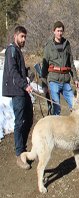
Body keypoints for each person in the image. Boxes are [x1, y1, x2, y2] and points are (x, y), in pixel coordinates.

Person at [2, 26, 33, 169]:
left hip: (22, 90)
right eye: (22, 36)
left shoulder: (18, 50)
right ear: (15, 36)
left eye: (25, 37)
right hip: (17, 91)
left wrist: (27, 73)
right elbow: (12, 71)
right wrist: (24, 85)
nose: (24, 39)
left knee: (29, 118)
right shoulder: (11, 50)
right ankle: (19, 154)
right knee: (19, 122)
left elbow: (19, 70)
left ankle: (23, 148)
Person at [42, 21, 79, 115]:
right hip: (54, 81)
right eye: (58, 31)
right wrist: (44, 84)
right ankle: (56, 129)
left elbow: (71, 63)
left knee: (75, 105)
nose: (60, 33)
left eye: (61, 31)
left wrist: (75, 79)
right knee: (57, 108)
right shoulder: (48, 46)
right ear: (54, 31)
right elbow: (44, 66)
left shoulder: (67, 44)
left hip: (66, 81)